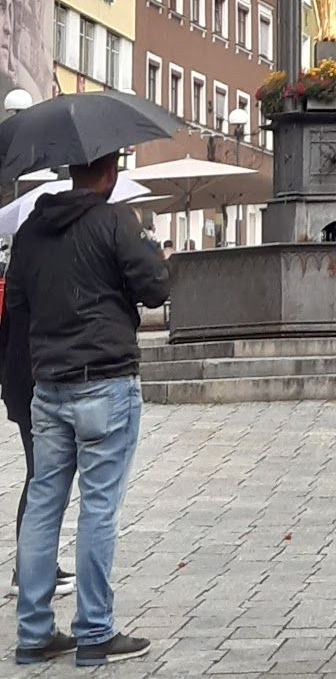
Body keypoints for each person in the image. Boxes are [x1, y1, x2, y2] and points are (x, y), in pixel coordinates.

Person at [7, 151, 171, 667]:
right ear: (111, 171)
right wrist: (145, 249)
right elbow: (156, 289)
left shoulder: (31, 231)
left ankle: (34, 633)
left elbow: (18, 305)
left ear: (70, 171)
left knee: (43, 505)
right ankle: (95, 631)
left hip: (49, 385)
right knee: (98, 508)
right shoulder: (114, 221)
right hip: (105, 379)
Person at [0, 302, 73, 602]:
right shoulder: (32, 278)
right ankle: (28, 571)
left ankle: (38, 565)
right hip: (31, 381)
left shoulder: (20, 277)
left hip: (22, 378)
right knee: (42, 476)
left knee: (44, 475)